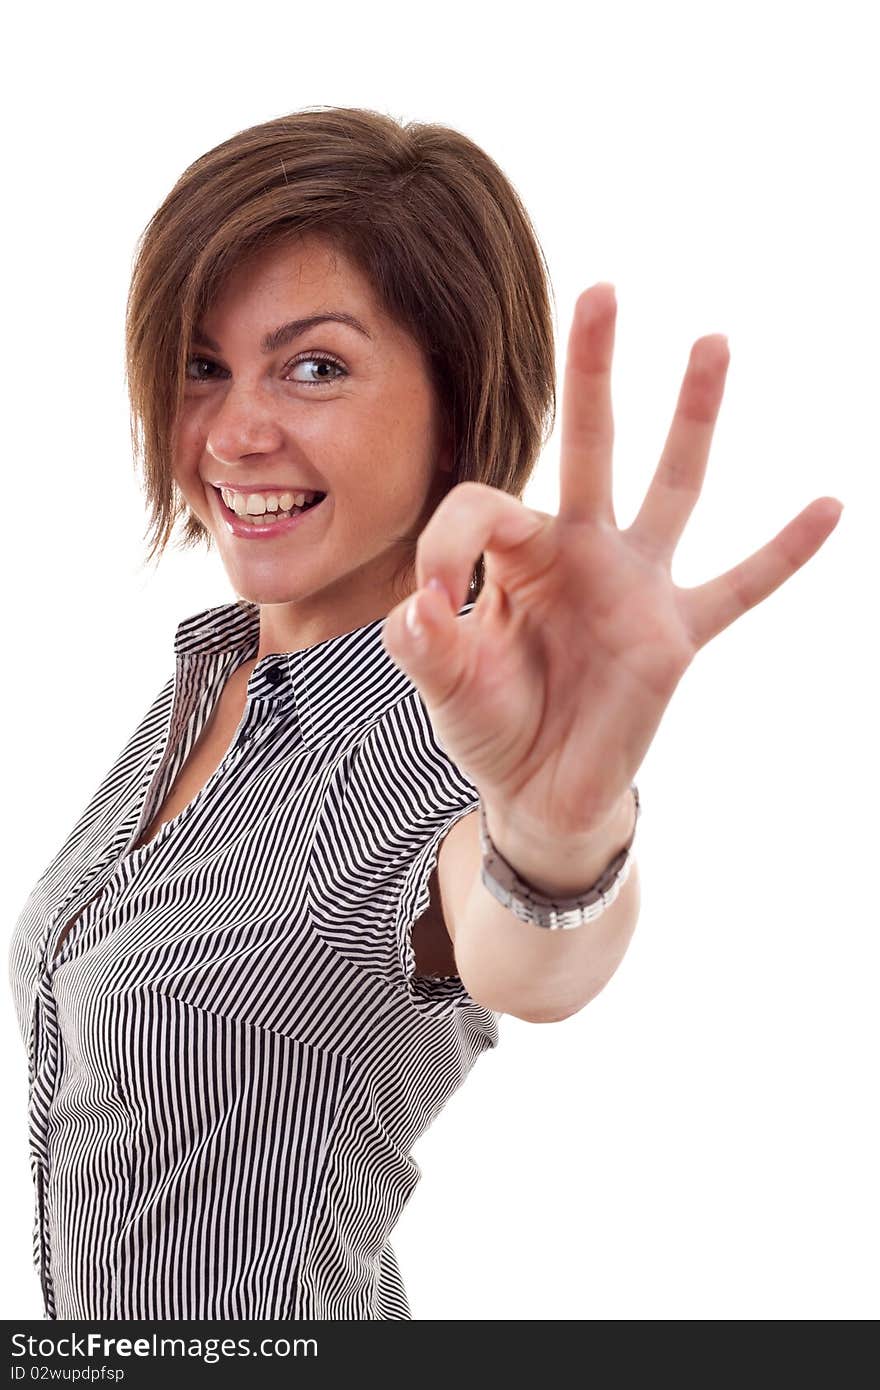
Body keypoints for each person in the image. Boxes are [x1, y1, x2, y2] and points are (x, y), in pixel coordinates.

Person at [8, 105, 842, 1322]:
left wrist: (559, 835)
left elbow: (526, 951)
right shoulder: (215, 674)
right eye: (202, 365)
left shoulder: (441, 736)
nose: (234, 432)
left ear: (454, 403)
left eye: (315, 366)